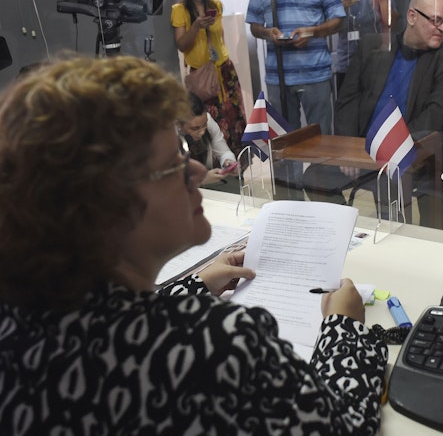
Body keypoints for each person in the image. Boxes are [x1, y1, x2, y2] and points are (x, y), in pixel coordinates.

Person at [0, 55, 387, 434]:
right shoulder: (216, 346)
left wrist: (193, 287)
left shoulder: (18, 326)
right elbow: (338, 425)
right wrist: (344, 329)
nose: (199, 170)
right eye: (174, 163)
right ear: (112, 206)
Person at [303, 0, 443, 227]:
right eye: (436, 20)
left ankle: (394, 248)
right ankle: (346, 229)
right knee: (313, 175)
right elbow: (348, 100)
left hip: (408, 155)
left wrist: (388, 152)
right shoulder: (373, 46)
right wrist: (349, 151)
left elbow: (434, 116)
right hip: (361, 150)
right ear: (411, 16)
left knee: (389, 183)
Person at [246, 0, 345, 136]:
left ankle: (320, 170)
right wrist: (268, 33)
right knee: (285, 143)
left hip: (316, 73)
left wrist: (312, 32)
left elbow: (337, 21)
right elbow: (254, 26)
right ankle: (292, 171)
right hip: (278, 77)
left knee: (321, 138)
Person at [172, 0, 247, 155]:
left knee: (235, 120)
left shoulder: (215, 4)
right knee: (211, 123)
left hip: (224, 69)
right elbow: (181, 44)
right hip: (202, 73)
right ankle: (216, 164)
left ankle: (238, 162)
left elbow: (220, 36)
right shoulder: (179, 10)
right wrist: (196, 26)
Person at [179, 93, 237, 186]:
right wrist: (201, 179)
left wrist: (228, 162)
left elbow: (224, 152)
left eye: (204, 125)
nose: (202, 132)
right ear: (178, 124)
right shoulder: (165, 137)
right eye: (195, 128)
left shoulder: (206, 120)